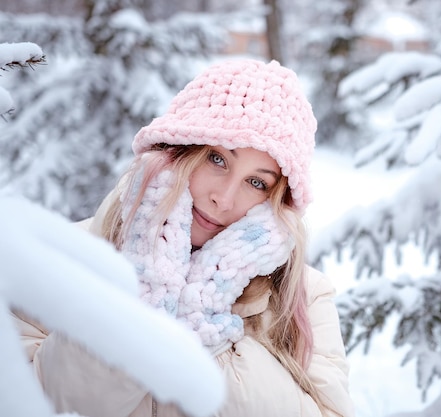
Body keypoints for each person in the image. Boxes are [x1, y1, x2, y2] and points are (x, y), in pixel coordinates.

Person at [13, 58, 354, 417]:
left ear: (276, 202)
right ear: (176, 152)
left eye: (257, 183)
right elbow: (29, 399)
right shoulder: (57, 257)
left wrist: (203, 313)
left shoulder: (303, 296)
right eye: (216, 160)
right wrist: (145, 295)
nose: (223, 198)